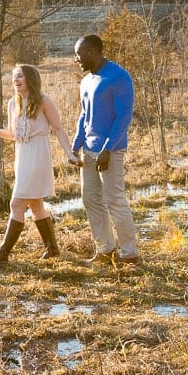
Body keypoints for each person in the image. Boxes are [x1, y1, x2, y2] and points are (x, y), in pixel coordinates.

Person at [0, 63, 72, 263]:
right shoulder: (13, 103)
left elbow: (58, 129)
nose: (16, 80)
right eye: (14, 77)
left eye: (20, 76)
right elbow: (13, 135)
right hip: (22, 155)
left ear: (30, 79)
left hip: (38, 154)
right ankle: (52, 249)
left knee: (16, 202)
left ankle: (3, 254)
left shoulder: (43, 100)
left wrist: (69, 154)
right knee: (36, 204)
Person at [70, 34, 141, 265]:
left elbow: (124, 116)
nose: (76, 59)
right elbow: (84, 114)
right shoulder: (87, 80)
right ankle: (105, 250)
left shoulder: (119, 77)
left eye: (79, 55)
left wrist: (108, 149)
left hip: (110, 151)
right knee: (90, 199)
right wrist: (76, 142)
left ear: (91, 51)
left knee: (115, 200)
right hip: (88, 151)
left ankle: (130, 255)